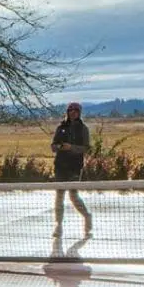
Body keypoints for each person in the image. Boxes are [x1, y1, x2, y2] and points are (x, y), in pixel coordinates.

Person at [50, 102, 93, 238]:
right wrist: (59, 147)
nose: (73, 112)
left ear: (79, 112)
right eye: (70, 110)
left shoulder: (83, 129)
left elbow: (86, 148)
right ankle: (58, 225)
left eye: (75, 110)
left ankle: (86, 216)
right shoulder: (61, 127)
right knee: (59, 196)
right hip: (60, 166)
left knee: (73, 196)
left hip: (75, 166)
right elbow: (53, 146)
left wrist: (72, 148)